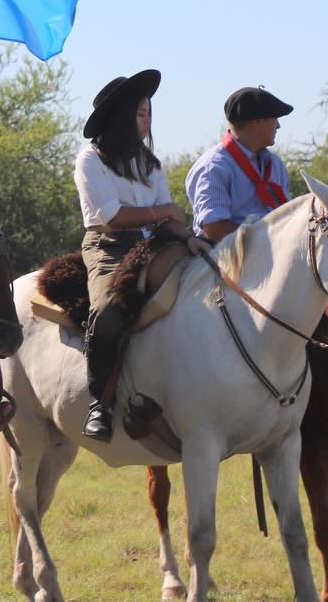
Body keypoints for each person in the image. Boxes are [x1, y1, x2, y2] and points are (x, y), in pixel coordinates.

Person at [73, 69, 194, 442]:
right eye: (141, 113)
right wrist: (164, 212)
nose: (148, 120)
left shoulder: (150, 165)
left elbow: (168, 218)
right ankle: (101, 403)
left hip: (152, 243)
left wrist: (190, 237)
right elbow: (112, 216)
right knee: (108, 309)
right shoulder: (90, 159)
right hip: (108, 246)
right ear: (122, 117)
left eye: (149, 113)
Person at [185, 86, 293, 243]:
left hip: (279, 249)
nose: (278, 125)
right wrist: (267, 236)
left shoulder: (275, 165)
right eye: (274, 118)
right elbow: (215, 230)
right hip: (228, 255)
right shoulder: (213, 167)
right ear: (258, 121)